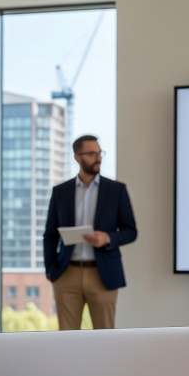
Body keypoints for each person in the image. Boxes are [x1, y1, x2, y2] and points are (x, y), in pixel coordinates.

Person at [42, 135, 138, 330]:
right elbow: (50, 235)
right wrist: (51, 270)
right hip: (67, 274)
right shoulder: (61, 191)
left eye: (99, 153)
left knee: (105, 338)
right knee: (67, 340)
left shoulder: (116, 190)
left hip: (103, 274)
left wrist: (108, 238)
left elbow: (131, 231)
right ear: (77, 157)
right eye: (92, 154)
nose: (98, 158)